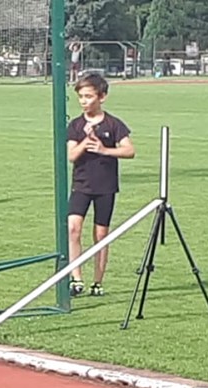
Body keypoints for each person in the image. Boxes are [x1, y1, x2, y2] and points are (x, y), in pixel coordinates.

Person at [66, 72, 135, 297]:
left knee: (101, 234)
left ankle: (98, 281)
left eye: (89, 96)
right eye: (81, 97)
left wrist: (105, 150)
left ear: (102, 97)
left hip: (105, 186)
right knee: (73, 228)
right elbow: (71, 155)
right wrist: (86, 140)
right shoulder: (76, 125)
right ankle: (76, 278)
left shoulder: (113, 124)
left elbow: (129, 150)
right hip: (81, 185)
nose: (84, 101)